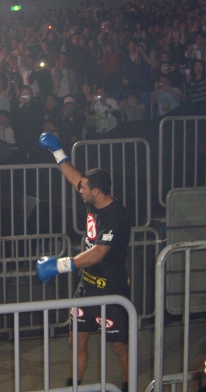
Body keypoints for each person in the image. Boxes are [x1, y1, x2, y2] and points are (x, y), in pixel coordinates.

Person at [36, 132, 131, 392]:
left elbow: (98, 253)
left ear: (96, 191)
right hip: (86, 286)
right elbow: (73, 177)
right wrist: (57, 151)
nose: (80, 191)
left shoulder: (116, 215)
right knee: (76, 342)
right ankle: (73, 387)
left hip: (111, 290)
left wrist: (59, 265)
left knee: (119, 347)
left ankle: (128, 386)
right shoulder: (93, 200)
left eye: (85, 189)